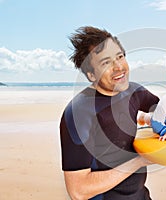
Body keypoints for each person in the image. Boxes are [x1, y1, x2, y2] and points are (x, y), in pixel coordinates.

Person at [59, 26, 159, 200]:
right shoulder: (79, 113)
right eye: (106, 63)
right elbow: (78, 191)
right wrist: (140, 161)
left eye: (120, 57)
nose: (118, 67)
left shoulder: (134, 92)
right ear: (91, 75)